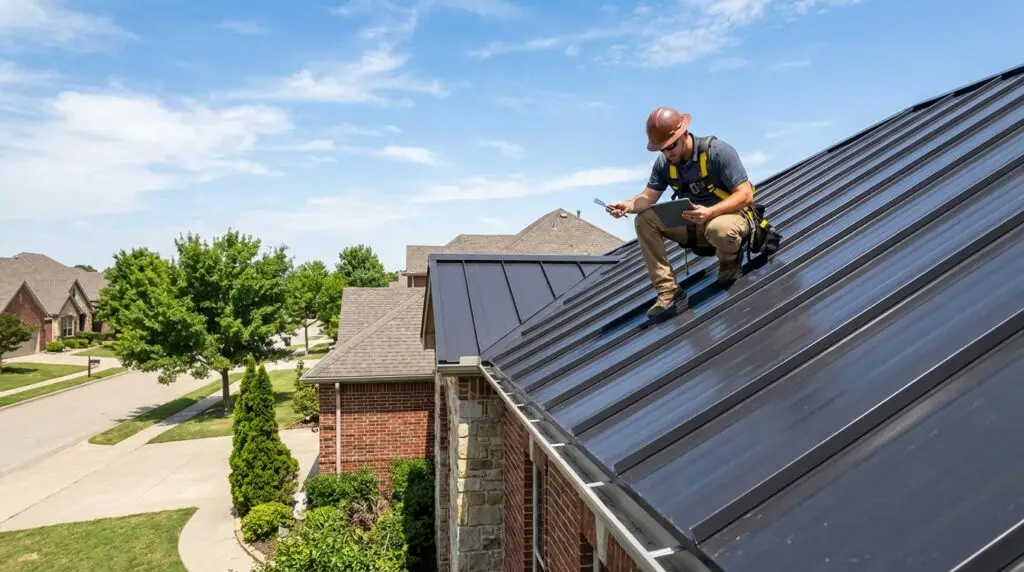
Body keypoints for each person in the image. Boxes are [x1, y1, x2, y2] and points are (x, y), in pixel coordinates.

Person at [605, 106, 755, 318]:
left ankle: (729, 262)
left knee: (719, 229)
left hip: (729, 220)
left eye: (671, 146)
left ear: (684, 133)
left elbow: (746, 195)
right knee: (644, 220)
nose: (668, 152)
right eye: (663, 149)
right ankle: (668, 291)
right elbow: (648, 197)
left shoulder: (718, 152)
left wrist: (710, 212)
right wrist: (627, 205)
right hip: (697, 225)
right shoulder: (665, 163)